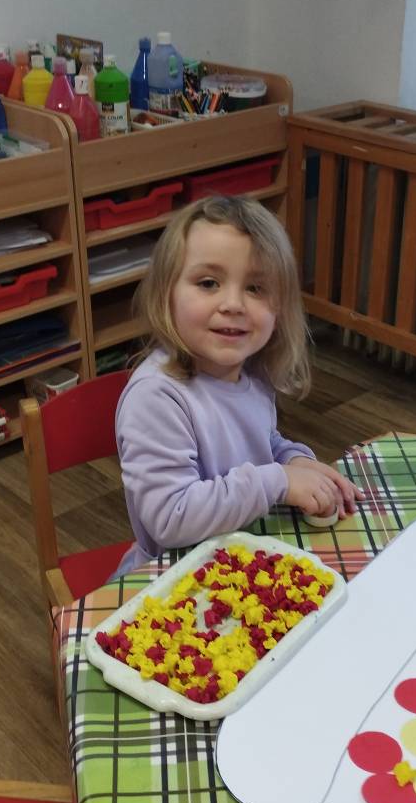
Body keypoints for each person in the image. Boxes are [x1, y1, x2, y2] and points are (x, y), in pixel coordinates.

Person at [114, 194, 361, 575]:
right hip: (172, 578)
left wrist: (293, 460)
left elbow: (261, 442)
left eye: (256, 288)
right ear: (166, 294)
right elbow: (171, 517)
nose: (233, 304)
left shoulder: (251, 373)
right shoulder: (156, 398)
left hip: (242, 556)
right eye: (208, 282)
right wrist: (277, 481)